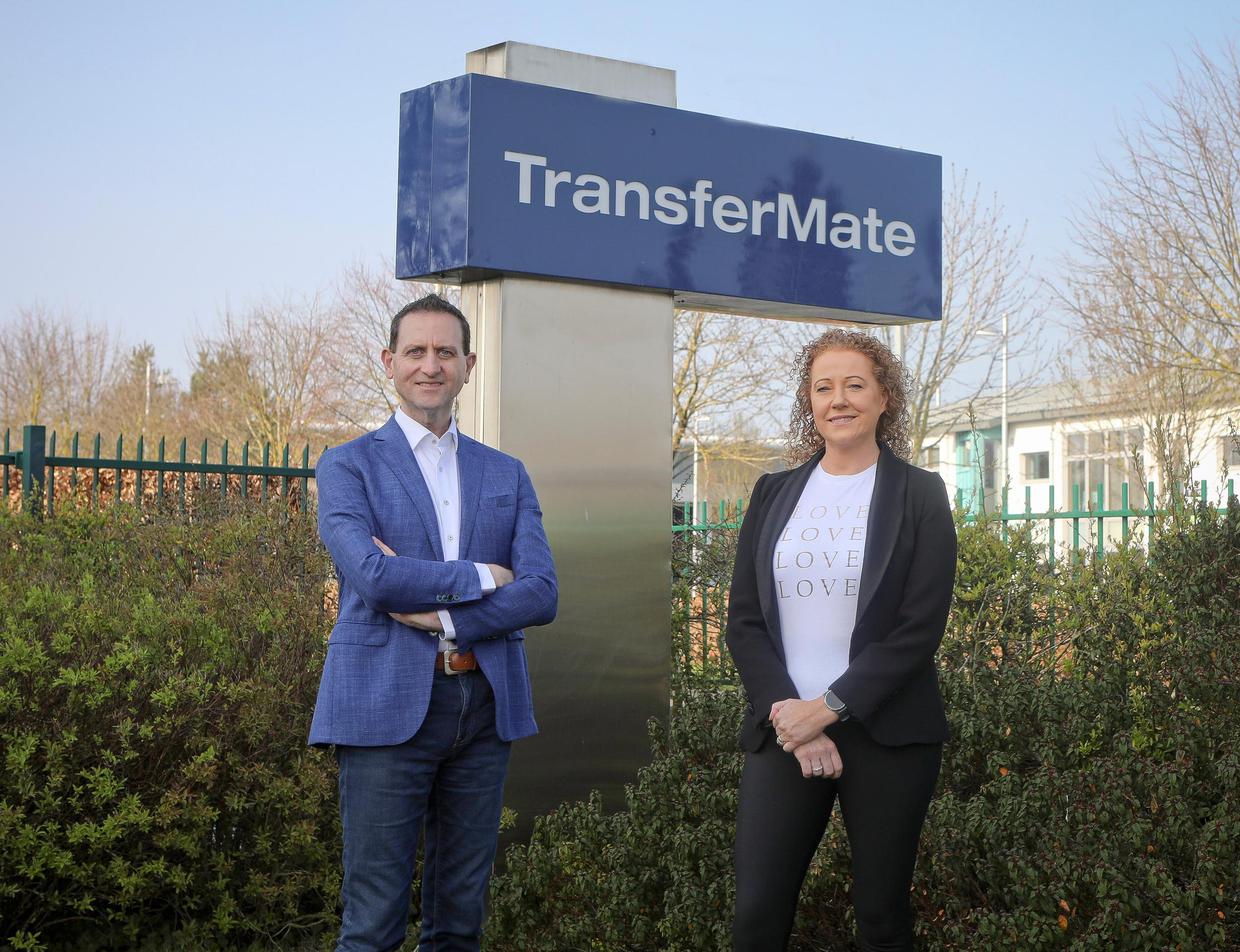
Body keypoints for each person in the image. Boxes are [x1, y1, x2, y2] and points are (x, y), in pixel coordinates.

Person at [308, 293, 557, 952]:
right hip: (384, 706)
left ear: (469, 364)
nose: (430, 365)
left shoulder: (506, 474)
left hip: (483, 706)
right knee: (372, 926)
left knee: (459, 925)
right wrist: (484, 576)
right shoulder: (348, 465)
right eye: (415, 351)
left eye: (445, 352)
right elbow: (374, 577)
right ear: (388, 361)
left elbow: (542, 593)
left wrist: (445, 617)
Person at [725, 329, 956, 952]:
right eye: (823, 387)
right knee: (755, 917)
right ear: (810, 402)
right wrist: (792, 716)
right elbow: (744, 621)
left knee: (881, 918)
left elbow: (918, 628)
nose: (839, 399)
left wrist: (827, 709)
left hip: (888, 734)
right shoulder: (773, 493)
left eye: (855, 385)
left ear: (885, 398)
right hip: (784, 729)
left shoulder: (920, 494)